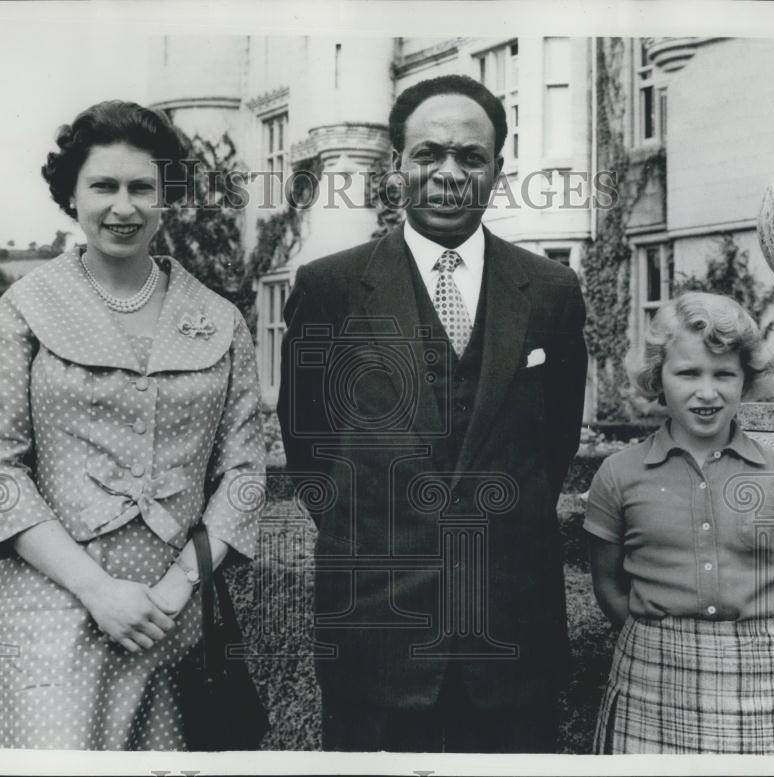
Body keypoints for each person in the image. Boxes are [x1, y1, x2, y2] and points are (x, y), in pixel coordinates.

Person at [277, 75, 588, 752]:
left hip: (511, 640)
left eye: (471, 158)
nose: (449, 173)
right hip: (375, 639)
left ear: (497, 171)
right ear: (397, 167)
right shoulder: (329, 288)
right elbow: (309, 452)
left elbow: (553, 446)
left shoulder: (553, 293)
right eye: (428, 154)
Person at [0, 100, 265, 750]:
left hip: (177, 624)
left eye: (142, 187)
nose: (122, 206)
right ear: (71, 193)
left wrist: (177, 587)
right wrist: (97, 589)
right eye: (103, 185)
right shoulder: (24, 310)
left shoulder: (219, 320)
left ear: (166, 198)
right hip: (52, 617)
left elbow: (243, 474)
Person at [584, 291, 774, 755]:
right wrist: (656, 639)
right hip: (653, 670)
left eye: (724, 374)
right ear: (658, 377)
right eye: (688, 373)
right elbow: (608, 584)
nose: (707, 392)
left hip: (766, 673)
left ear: (746, 380)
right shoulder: (618, 475)